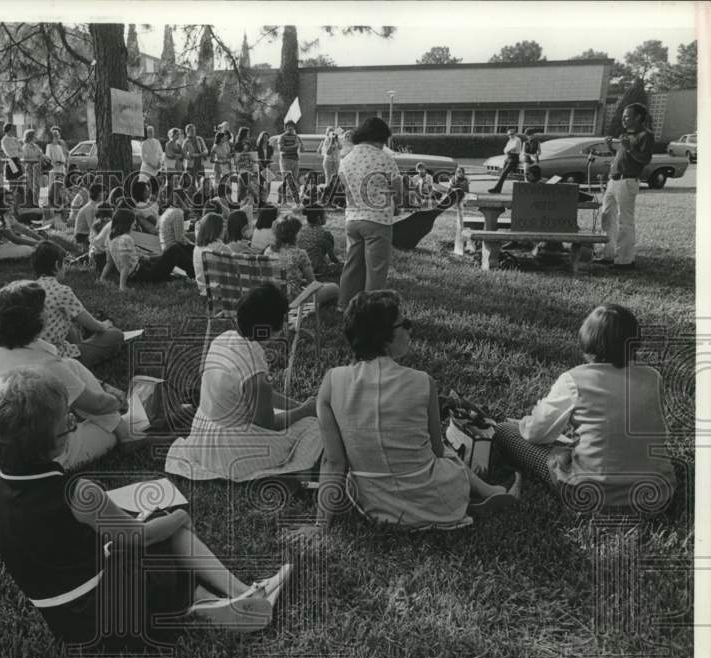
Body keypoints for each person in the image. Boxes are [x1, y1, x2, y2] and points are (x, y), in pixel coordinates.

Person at [0, 365, 293, 658]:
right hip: (120, 611)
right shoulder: (79, 492)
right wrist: (178, 518)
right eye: (67, 424)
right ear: (54, 442)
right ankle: (234, 594)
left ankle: (210, 604)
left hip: (75, 635)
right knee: (164, 524)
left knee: (127, 544)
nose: (71, 428)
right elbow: (136, 537)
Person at [288, 290, 519, 537]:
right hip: (436, 500)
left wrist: (320, 526)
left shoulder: (332, 382)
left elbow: (333, 461)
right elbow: (437, 451)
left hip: (375, 506)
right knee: (447, 452)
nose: (410, 330)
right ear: (384, 337)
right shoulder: (424, 382)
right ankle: (488, 492)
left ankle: (486, 493)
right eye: (405, 324)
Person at [494, 304, 675, 514]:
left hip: (591, 495)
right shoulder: (653, 377)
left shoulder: (573, 380)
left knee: (505, 431)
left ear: (588, 340)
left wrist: (521, 424)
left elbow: (536, 434)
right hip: (657, 496)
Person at [166, 283, 322, 482]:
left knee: (301, 415)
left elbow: (262, 398)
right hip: (229, 451)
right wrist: (305, 411)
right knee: (315, 425)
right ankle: (298, 468)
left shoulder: (223, 339)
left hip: (202, 436)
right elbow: (268, 424)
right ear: (273, 327)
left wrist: (300, 405)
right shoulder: (256, 376)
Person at [0, 282, 127, 475]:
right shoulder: (43, 365)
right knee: (109, 431)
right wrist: (118, 400)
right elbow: (97, 406)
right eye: (43, 308)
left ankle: (120, 425)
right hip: (27, 465)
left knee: (71, 365)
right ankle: (125, 432)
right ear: (35, 321)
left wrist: (103, 387)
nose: (47, 311)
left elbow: (67, 369)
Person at [337, 117, 403, 309]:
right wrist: (396, 203)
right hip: (378, 220)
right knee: (376, 269)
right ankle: (371, 310)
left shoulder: (346, 159)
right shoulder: (385, 159)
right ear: (381, 138)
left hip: (352, 219)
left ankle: (344, 304)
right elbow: (398, 191)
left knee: (353, 265)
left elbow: (345, 189)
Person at [32, 241, 124, 366]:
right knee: (115, 335)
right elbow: (93, 325)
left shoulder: (27, 289)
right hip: (58, 359)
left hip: (30, 353)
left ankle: (82, 342)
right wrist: (105, 325)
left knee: (68, 321)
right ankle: (85, 346)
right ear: (57, 265)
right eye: (64, 263)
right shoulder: (62, 291)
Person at [596, 103, 653, 270]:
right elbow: (626, 157)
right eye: (623, 116)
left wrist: (628, 148)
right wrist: (612, 149)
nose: (624, 118)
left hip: (627, 181)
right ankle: (608, 255)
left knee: (624, 221)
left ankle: (625, 260)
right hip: (613, 181)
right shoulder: (627, 134)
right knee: (607, 217)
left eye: (627, 116)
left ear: (638, 118)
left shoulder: (645, 135)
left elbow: (644, 159)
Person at [103, 209, 196, 291]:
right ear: (127, 223)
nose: (135, 224)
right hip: (144, 276)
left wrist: (102, 278)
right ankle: (197, 273)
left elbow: (109, 262)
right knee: (175, 249)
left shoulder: (111, 240)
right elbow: (125, 266)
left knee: (172, 251)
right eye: (133, 222)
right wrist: (122, 287)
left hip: (141, 271)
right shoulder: (126, 239)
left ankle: (193, 272)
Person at [264, 215, 339, 308]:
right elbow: (313, 283)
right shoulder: (299, 253)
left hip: (271, 297)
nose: (302, 233)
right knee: (334, 288)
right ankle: (326, 309)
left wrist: (298, 279)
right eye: (300, 231)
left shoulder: (268, 251)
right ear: (293, 234)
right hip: (294, 300)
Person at [297, 204, 340, 276]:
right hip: (316, 271)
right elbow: (332, 257)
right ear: (319, 218)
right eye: (324, 215)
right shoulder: (325, 234)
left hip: (300, 269)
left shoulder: (300, 232)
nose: (326, 217)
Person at [192, 213, 227, 296]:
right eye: (223, 227)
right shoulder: (221, 248)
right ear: (217, 229)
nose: (225, 229)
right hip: (221, 290)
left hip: (204, 289)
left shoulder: (197, 248)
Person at [487, 127, 526, 194]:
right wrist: (508, 150)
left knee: (504, 173)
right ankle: (498, 189)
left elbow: (513, 147)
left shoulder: (517, 139)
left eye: (512, 134)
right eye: (509, 135)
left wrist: (508, 150)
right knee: (502, 174)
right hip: (508, 157)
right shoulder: (510, 140)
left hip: (514, 158)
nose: (510, 136)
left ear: (515, 134)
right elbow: (505, 149)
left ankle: (496, 189)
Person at [158, 188, 193, 253]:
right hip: (171, 250)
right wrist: (193, 245)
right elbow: (179, 239)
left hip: (167, 245)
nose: (188, 201)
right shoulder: (178, 213)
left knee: (193, 235)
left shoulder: (170, 210)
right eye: (186, 198)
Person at [277, 121, 304, 203]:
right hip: (285, 160)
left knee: (294, 180)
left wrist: (301, 145)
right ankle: (283, 198)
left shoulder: (297, 137)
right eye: (288, 126)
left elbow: (302, 150)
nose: (290, 128)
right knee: (287, 180)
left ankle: (287, 197)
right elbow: (281, 148)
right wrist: (294, 146)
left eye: (292, 126)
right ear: (285, 128)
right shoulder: (282, 137)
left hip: (295, 160)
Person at [20, 129, 46, 202]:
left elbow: (41, 154)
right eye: (34, 135)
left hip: (37, 168)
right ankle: (31, 201)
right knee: (31, 185)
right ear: (30, 137)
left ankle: (37, 201)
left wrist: (42, 157)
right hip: (30, 168)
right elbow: (24, 158)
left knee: (37, 185)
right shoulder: (25, 147)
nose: (36, 137)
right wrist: (36, 158)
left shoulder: (36, 146)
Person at [0, 122, 23, 189]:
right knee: (12, 183)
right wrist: (16, 152)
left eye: (13, 129)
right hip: (11, 161)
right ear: (7, 130)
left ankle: (18, 198)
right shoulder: (4, 140)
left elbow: (21, 150)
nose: (13, 131)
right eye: (11, 129)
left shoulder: (15, 139)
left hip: (17, 160)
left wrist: (17, 153)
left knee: (19, 182)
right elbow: (8, 152)